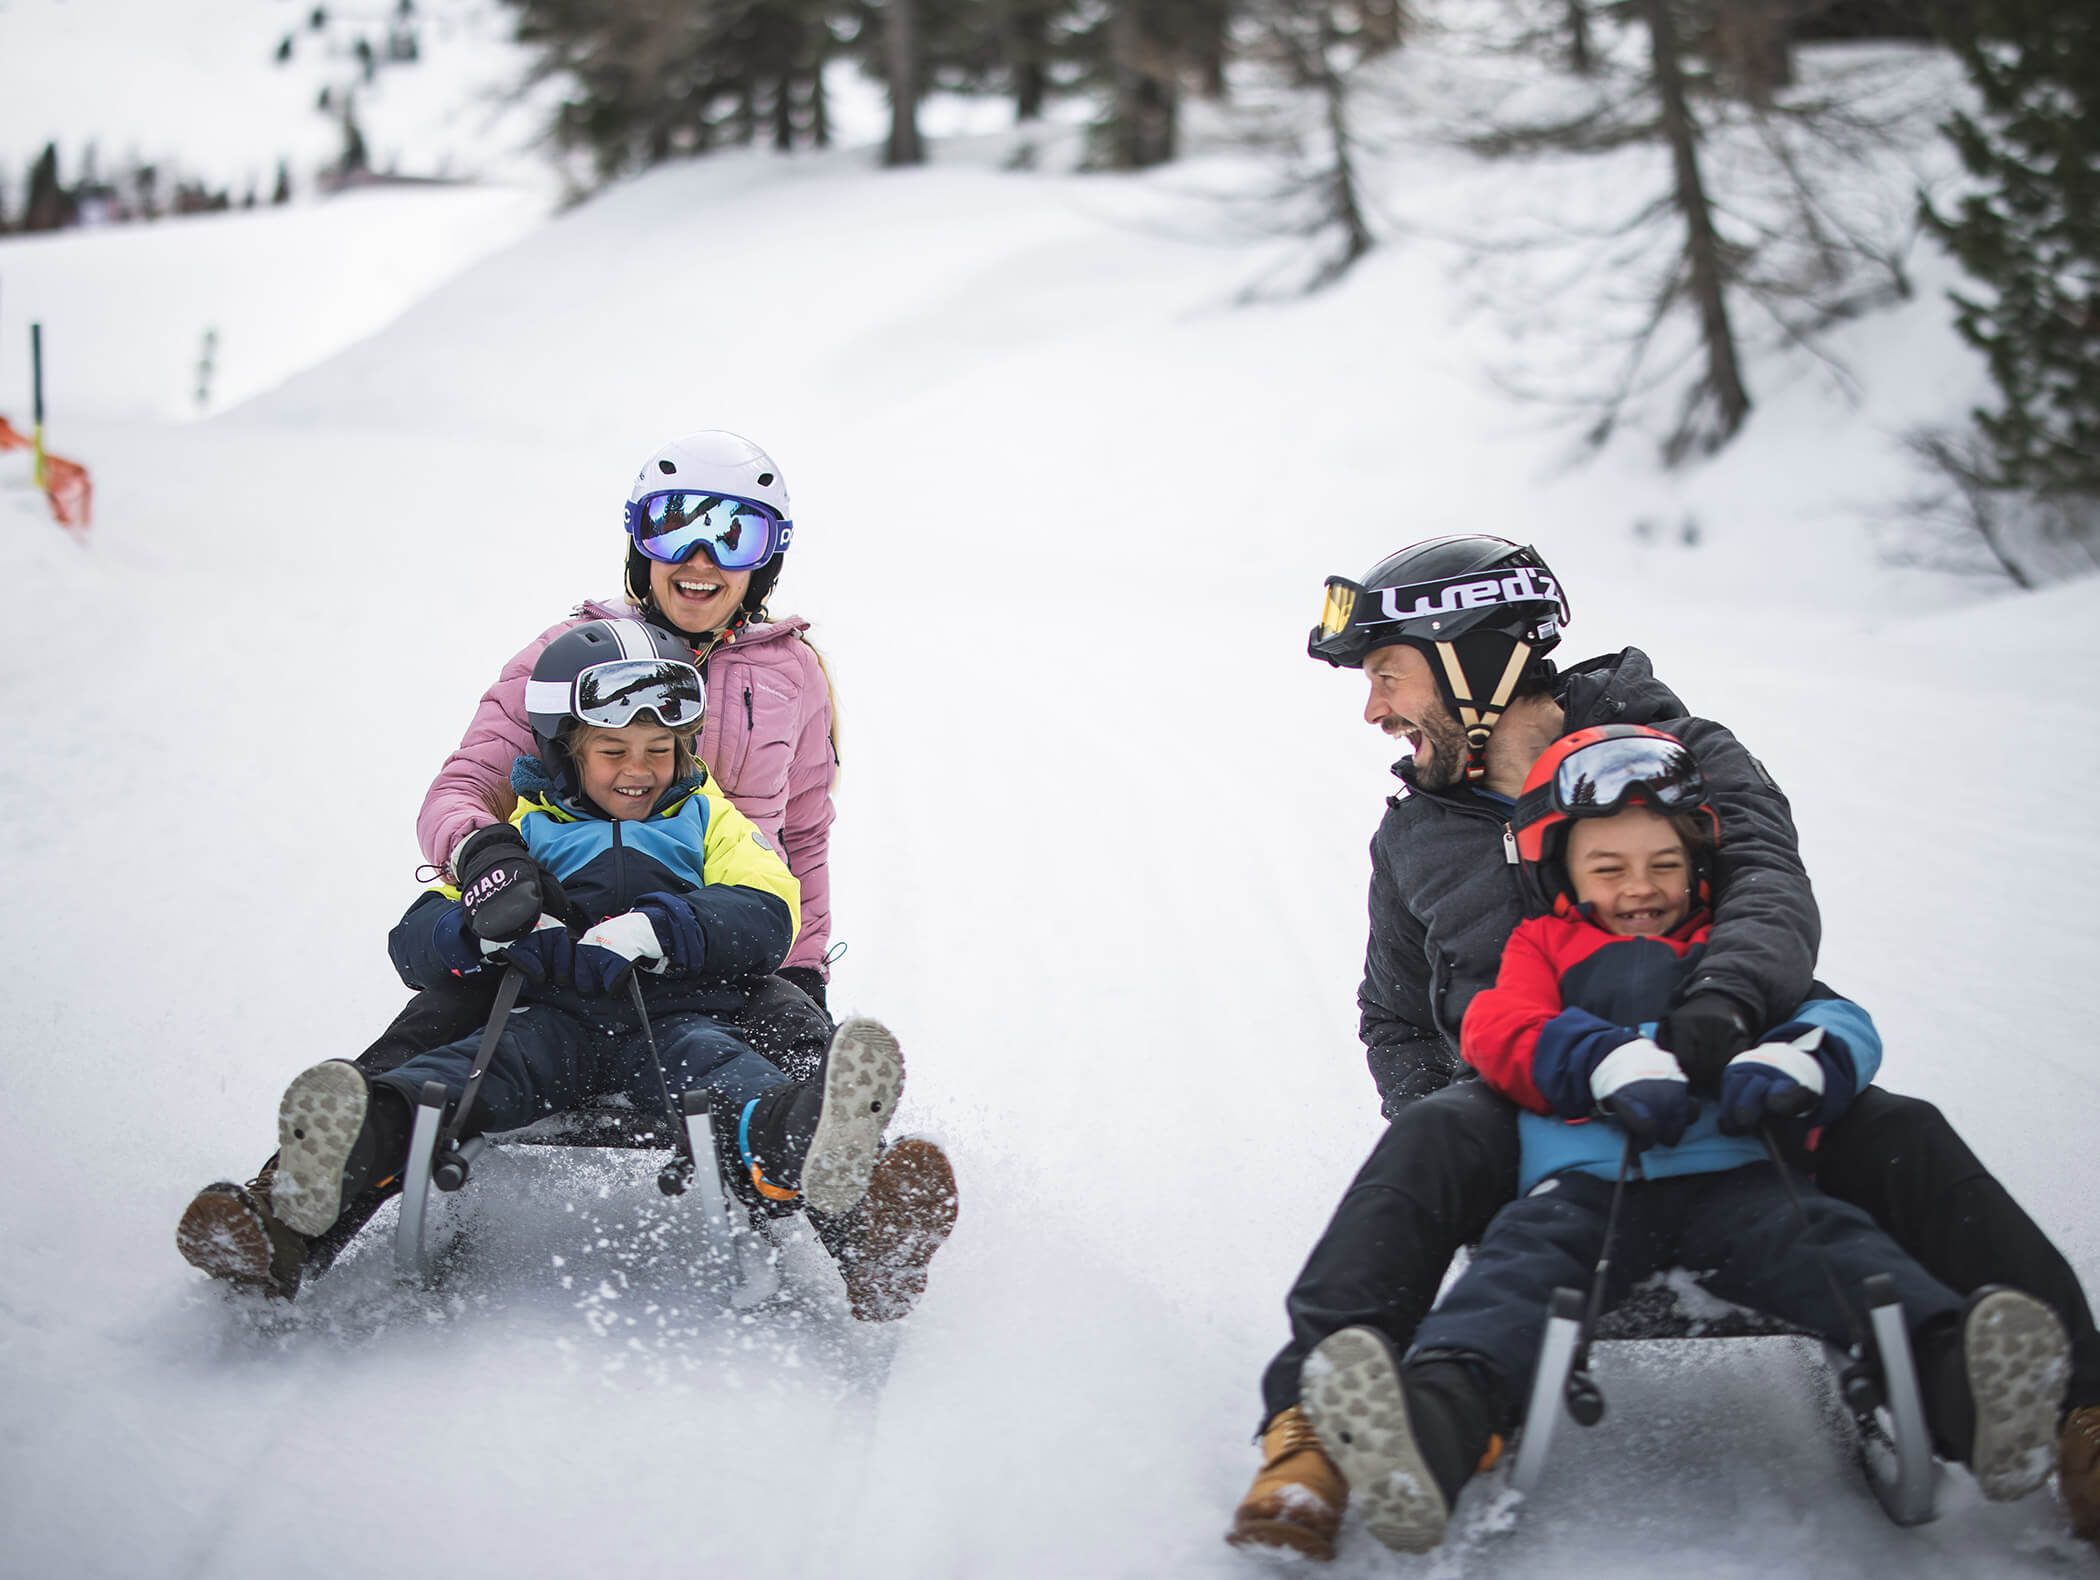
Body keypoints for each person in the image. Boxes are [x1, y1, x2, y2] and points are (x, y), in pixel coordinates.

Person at [1227, 535, 2100, 1559]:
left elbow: (1771, 893)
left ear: (1470, 658)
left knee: (1900, 1126)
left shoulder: (1686, 757)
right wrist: (1471, 1140)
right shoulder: (1419, 829)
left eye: (1387, 674)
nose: (1374, 709)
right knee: (1428, 1136)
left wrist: (1725, 1014)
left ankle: (2074, 1409)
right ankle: (1316, 1435)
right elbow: (1398, 1017)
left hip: (1738, 1077)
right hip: (1536, 1102)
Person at [179, 433, 956, 1321]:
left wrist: (801, 963)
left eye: (732, 536)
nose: (700, 560)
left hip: (722, 951)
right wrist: (487, 870)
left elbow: (803, 836)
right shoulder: (563, 658)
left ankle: (872, 1230)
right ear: (639, 540)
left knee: (795, 1048)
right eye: (676, 529)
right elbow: (463, 789)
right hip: (540, 946)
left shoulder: (792, 676)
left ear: (768, 555)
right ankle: (287, 1218)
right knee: (430, 1036)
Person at [265, 619, 905, 1255]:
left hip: (675, 1017)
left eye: (660, 749)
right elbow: (414, 939)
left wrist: (661, 928)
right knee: (457, 1075)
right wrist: (483, 927)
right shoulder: (525, 833)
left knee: (728, 1075)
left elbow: (766, 906)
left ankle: (805, 1134)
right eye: (612, 750)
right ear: (565, 750)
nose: (640, 770)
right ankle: (348, 1144)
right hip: (544, 1018)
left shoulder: (712, 819)